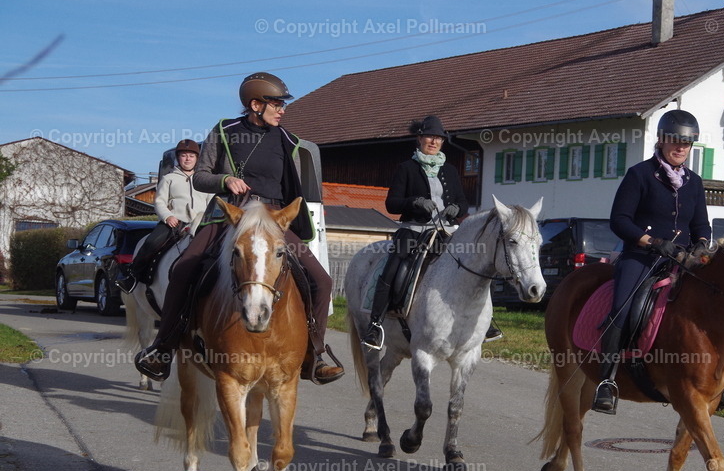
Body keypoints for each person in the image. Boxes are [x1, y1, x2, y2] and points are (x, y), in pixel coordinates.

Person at [134, 72, 344, 385]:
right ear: (255, 104)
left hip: (271, 220)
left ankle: (314, 354)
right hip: (231, 215)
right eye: (276, 104)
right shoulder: (225, 131)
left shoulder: (287, 140)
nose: (282, 110)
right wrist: (224, 181)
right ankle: (163, 347)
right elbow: (202, 175)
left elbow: (291, 189)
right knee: (183, 269)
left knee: (322, 280)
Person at [592, 109, 712, 415]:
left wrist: (699, 245)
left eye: (686, 142)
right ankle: (607, 380)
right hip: (643, 256)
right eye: (675, 140)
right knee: (622, 307)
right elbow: (619, 220)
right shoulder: (640, 174)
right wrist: (653, 242)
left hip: (683, 260)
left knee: (715, 304)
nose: (681, 147)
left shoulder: (694, 182)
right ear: (660, 140)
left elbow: (702, 225)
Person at [361, 115, 502, 350]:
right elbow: (391, 204)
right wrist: (415, 202)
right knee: (395, 267)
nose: (434, 141)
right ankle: (375, 325)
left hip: (446, 231)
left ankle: (485, 322)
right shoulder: (406, 168)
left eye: (438, 138)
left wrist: (457, 209)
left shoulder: (450, 170)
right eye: (430, 137)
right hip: (414, 230)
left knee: (477, 263)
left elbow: (463, 203)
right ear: (420, 138)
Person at [116, 139, 212, 293]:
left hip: (199, 224)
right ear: (178, 158)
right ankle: (131, 276)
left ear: (197, 159)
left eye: (191, 156)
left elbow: (210, 204)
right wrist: (167, 216)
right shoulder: (169, 179)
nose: (187, 159)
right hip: (174, 223)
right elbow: (159, 201)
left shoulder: (204, 181)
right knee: (151, 243)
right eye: (184, 155)